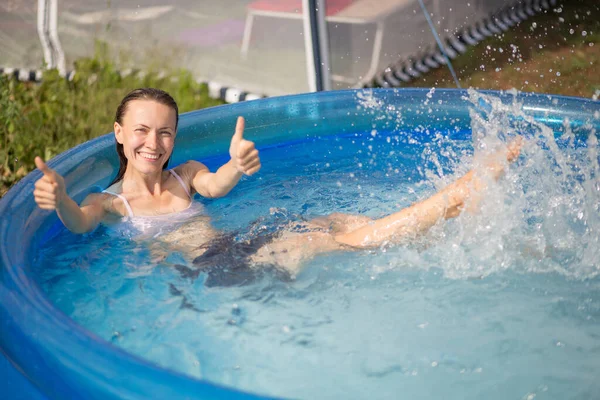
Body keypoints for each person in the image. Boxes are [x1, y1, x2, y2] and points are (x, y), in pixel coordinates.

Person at [34, 88, 522, 285]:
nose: (153, 142)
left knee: (335, 222)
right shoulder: (113, 202)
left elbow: (218, 185)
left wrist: (237, 163)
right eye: (140, 130)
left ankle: (445, 219)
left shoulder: (184, 176)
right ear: (119, 134)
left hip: (238, 244)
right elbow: (80, 223)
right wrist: (60, 201)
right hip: (218, 269)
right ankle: (455, 196)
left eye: (164, 131)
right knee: (330, 239)